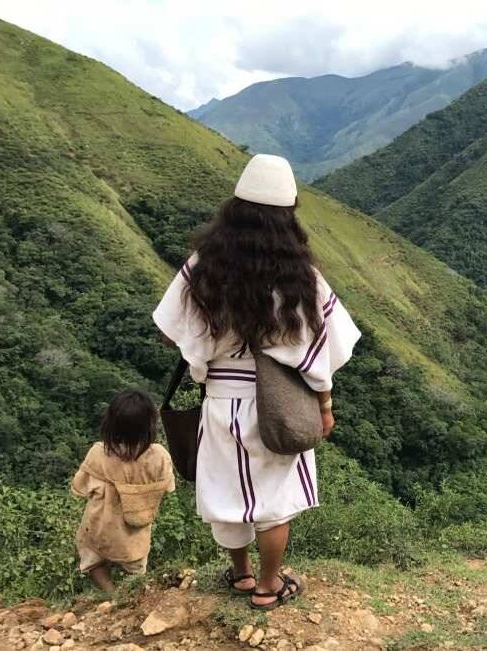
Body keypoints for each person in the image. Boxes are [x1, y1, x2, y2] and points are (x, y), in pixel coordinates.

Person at [152, 153, 361, 610]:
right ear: (288, 216)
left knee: (228, 491)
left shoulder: (204, 265)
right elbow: (324, 349)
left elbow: (169, 329)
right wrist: (325, 406)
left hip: (220, 400)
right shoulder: (299, 276)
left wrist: (213, 335)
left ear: (235, 209)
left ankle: (242, 575)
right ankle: (269, 586)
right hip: (275, 404)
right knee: (274, 499)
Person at [72, 390, 176, 592]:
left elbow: (80, 487)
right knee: (136, 566)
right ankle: (133, 594)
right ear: (149, 426)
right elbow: (168, 486)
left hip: (100, 526)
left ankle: (111, 594)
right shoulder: (158, 456)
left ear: (110, 424)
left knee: (92, 559)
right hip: (135, 529)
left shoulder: (98, 453)